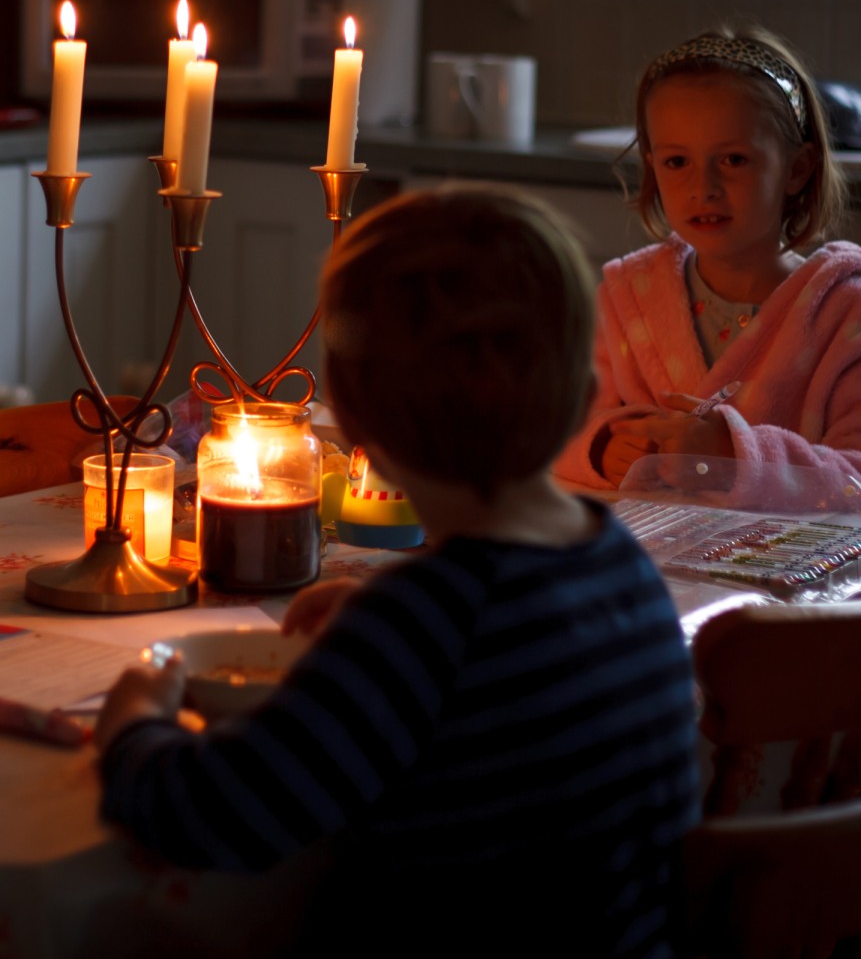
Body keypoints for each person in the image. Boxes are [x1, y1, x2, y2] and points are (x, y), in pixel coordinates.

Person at [95, 183, 700, 957]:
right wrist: (385, 615)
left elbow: (221, 814)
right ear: (584, 400)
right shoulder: (618, 563)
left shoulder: (425, 624)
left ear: (354, 430)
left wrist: (133, 722)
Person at [553, 25, 861, 512]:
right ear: (651, 167)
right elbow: (557, 426)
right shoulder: (626, 300)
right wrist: (602, 446)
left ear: (797, 169)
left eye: (733, 159)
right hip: (655, 572)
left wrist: (736, 457)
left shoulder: (855, 317)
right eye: (676, 162)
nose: (703, 187)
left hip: (800, 581)